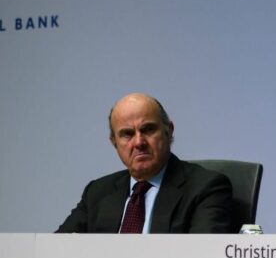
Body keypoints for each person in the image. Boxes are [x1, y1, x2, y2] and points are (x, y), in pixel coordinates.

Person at [56, 93, 233, 233]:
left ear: (168, 131)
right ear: (114, 142)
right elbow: (56, 250)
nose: (139, 142)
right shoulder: (97, 193)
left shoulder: (205, 188)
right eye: (127, 134)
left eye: (148, 129)